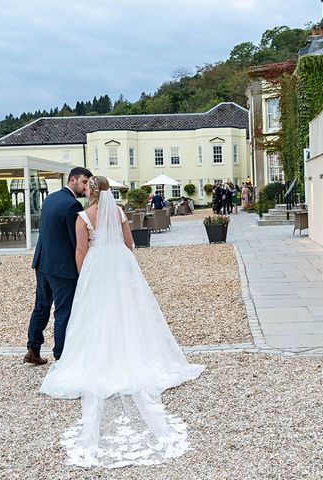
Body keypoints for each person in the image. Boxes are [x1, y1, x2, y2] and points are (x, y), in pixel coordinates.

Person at [40, 176, 204, 468]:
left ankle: (100, 357)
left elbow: (80, 251)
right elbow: (129, 245)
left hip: (96, 266)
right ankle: (130, 354)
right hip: (119, 264)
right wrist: (123, 266)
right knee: (126, 312)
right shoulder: (117, 213)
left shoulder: (82, 216)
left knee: (96, 316)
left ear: (90, 192)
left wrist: (85, 274)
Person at [23, 166, 92, 365]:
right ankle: (61, 355)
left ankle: (33, 348)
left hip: (42, 262)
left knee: (41, 306)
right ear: (73, 180)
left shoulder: (51, 198)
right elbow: (75, 241)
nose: (86, 186)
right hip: (62, 267)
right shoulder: (73, 205)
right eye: (84, 182)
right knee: (63, 311)